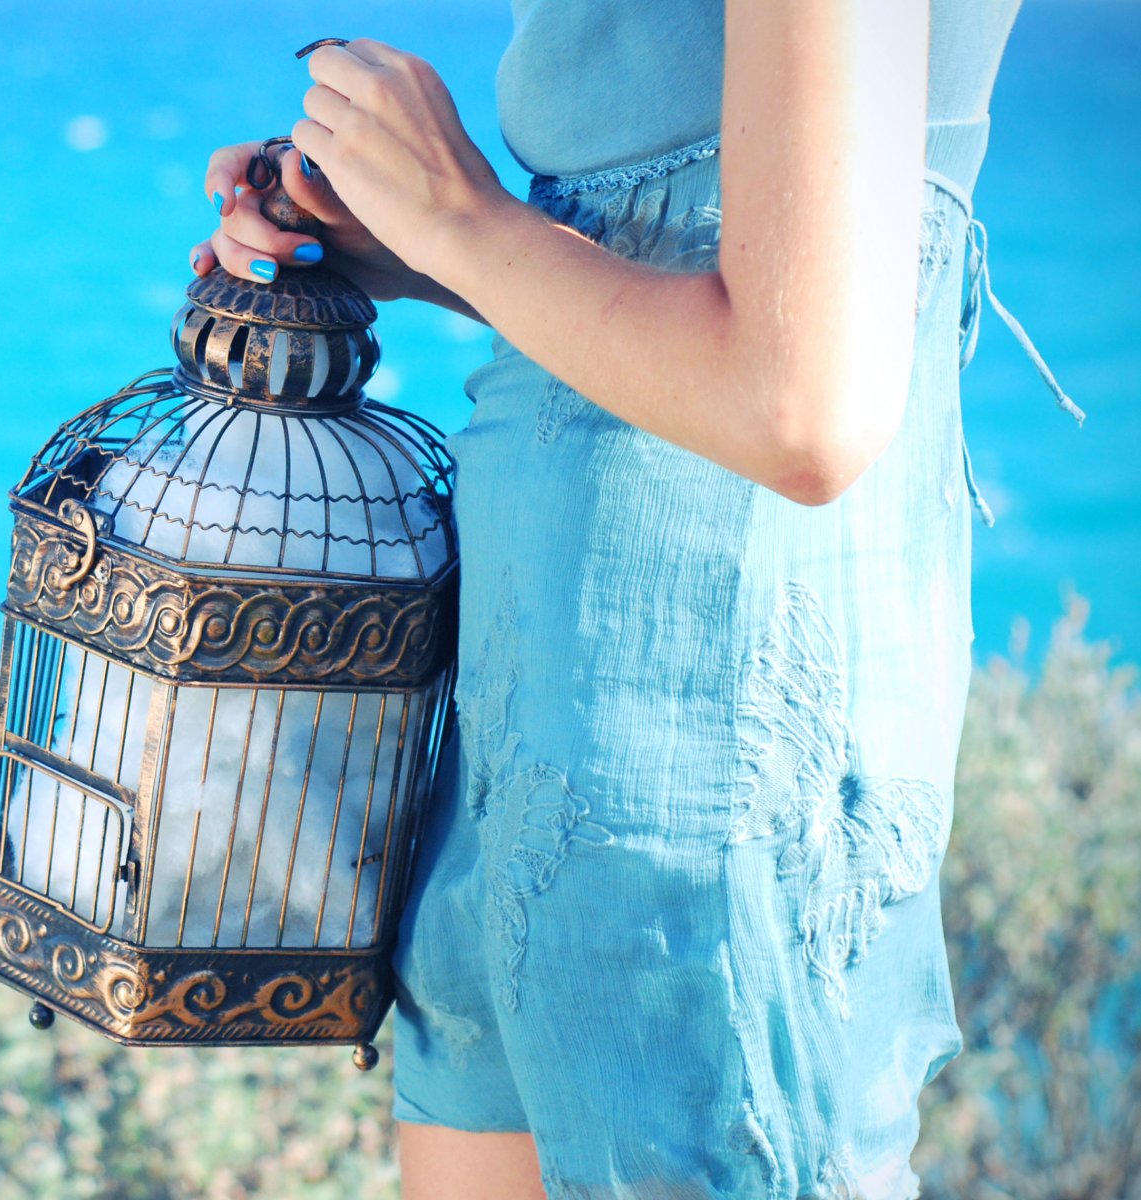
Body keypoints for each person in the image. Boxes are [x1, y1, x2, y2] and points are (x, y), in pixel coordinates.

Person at [192, 3, 1080, 1198]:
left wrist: (465, 214)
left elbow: (798, 410)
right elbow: (706, 268)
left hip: (704, 760)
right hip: (519, 727)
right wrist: (429, 239)